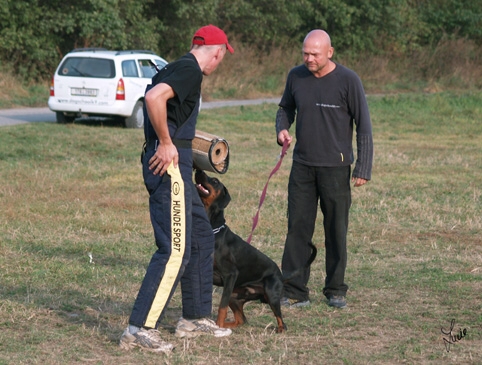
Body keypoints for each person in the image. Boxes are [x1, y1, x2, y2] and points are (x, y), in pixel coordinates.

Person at [120, 24, 234, 353]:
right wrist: (167, 144)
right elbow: (153, 98)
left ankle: (194, 318)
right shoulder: (190, 70)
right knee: (175, 249)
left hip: (179, 165)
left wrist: (187, 153)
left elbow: (171, 115)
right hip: (168, 166)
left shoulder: (176, 66)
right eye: (221, 58)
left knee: (199, 234)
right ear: (217, 52)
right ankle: (139, 328)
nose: (218, 63)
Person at [276, 29, 373, 309]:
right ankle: (293, 289)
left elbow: (364, 125)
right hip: (303, 167)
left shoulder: (348, 80)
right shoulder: (296, 76)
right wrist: (282, 129)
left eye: (315, 54)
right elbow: (284, 108)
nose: (309, 58)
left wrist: (363, 167)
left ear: (329, 52)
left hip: (336, 167)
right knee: (298, 229)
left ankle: (335, 289)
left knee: (335, 229)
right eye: (305, 53)